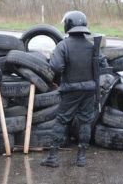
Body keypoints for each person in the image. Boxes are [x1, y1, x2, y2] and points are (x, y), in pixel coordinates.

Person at [40, 10, 107, 168]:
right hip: (89, 90)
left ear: (67, 25)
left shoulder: (63, 45)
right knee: (85, 122)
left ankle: (53, 158)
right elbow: (103, 66)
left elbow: (56, 66)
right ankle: (81, 158)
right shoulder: (92, 46)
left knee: (61, 121)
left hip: (70, 90)